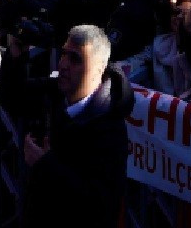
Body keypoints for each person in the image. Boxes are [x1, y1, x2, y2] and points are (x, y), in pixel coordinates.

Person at [21, 24, 134, 227]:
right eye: (64, 54)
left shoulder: (110, 127)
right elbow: (13, 94)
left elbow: (100, 206)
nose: (63, 64)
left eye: (75, 59)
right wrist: (15, 56)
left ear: (99, 69)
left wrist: (44, 164)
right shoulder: (57, 91)